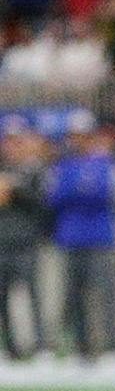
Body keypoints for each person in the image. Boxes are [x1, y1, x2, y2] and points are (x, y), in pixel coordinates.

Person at [47, 109, 115, 366]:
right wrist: (80, 192)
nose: (77, 139)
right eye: (73, 135)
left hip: (100, 238)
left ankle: (112, 349)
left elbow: (106, 197)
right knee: (74, 298)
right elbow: (54, 199)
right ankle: (81, 350)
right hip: (70, 238)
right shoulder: (64, 165)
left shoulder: (107, 164)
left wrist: (77, 193)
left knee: (106, 296)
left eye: (81, 135)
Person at [0, 114, 53, 361]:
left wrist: (14, 190)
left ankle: (42, 347)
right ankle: (10, 347)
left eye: (17, 141)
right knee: (2, 298)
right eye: (9, 141)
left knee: (34, 295)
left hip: (27, 242)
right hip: (2, 242)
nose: (12, 146)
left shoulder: (36, 170)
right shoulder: (3, 170)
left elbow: (43, 203)